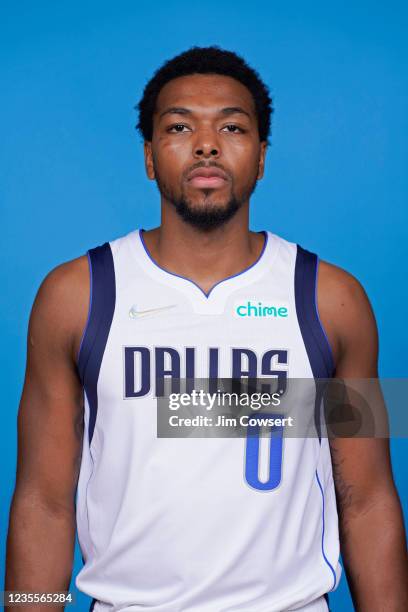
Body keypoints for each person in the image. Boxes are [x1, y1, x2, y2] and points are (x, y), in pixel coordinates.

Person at [5, 46, 407, 612]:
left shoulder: (334, 300)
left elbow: (367, 499)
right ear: (149, 156)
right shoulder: (76, 296)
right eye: (179, 125)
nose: (207, 143)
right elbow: (43, 503)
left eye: (232, 126)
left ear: (262, 156)